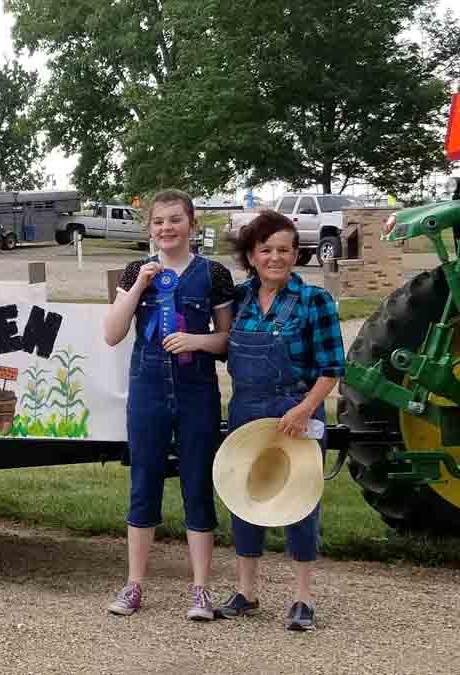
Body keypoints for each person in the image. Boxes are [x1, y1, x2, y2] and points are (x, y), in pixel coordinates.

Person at [102, 189, 236, 620]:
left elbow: (227, 340)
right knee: (144, 482)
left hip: (196, 390)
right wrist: (139, 284)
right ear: (150, 228)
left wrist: (198, 340)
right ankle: (133, 584)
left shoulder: (213, 274)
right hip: (148, 389)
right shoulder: (135, 272)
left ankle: (200, 590)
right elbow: (111, 333)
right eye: (159, 221)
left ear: (192, 224)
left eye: (175, 220)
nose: (167, 228)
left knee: (197, 482)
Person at [218, 210, 344, 631]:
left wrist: (305, 408)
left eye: (284, 250)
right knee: (245, 499)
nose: (275, 257)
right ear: (251, 255)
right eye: (266, 249)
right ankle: (246, 592)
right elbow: (221, 345)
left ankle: (302, 597)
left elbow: (332, 369)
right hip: (245, 413)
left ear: (296, 254)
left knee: (300, 503)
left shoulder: (314, 301)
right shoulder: (239, 299)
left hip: (297, 413)